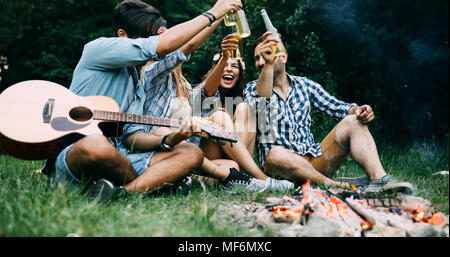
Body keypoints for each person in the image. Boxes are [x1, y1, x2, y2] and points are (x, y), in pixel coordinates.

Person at [46, 0, 244, 201]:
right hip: (79, 150)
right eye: (146, 38)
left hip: (121, 155)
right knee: (96, 145)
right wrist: (214, 12)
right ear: (122, 35)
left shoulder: (137, 87)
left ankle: (122, 193)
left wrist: (169, 140)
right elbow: (166, 45)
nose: (151, 43)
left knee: (191, 153)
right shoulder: (96, 50)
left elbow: (132, 137)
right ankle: (155, 184)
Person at [243, 32, 415, 194]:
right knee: (275, 154)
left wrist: (358, 110)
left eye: (267, 54)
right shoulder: (253, 89)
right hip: (281, 169)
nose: (260, 61)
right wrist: (268, 65)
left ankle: (379, 180)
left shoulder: (305, 85)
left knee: (353, 121)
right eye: (257, 58)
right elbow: (260, 99)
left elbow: (336, 107)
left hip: (314, 162)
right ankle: (333, 185)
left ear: (284, 56)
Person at [124, 32, 294, 193]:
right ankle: (260, 179)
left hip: (197, 148)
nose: (179, 51)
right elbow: (208, 90)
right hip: (168, 147)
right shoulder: (155, 76)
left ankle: (241, 179)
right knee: (218, 118)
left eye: (234, 66)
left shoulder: (187, 87)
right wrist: (217, 21)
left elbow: (204, 93)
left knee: (231, 163)